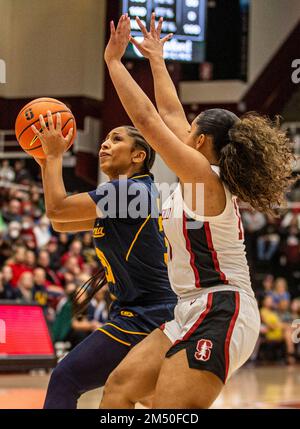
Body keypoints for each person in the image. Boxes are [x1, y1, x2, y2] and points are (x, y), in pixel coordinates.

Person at [99, 14, 295, 409]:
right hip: (188, 307)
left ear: (200, 140)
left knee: (171, 410)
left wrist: (115, 64)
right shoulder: (197, 171)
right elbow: (169, 111)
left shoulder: (204, 178)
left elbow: (148, 120)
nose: (181, 129)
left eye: (189, 129)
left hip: (223, 306)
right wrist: (156, 57)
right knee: (119, 389)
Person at [30, 116, 176, 408]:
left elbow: (58, 207)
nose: (105, 144)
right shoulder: (133, 193)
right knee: (147, 399)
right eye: (106, 139)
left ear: (139, 155)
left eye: (116, 139)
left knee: (66, 377)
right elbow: (60, 222)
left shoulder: (128, 190)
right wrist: (45, 160)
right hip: (150, 311)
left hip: (147, 315)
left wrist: (56, 155)